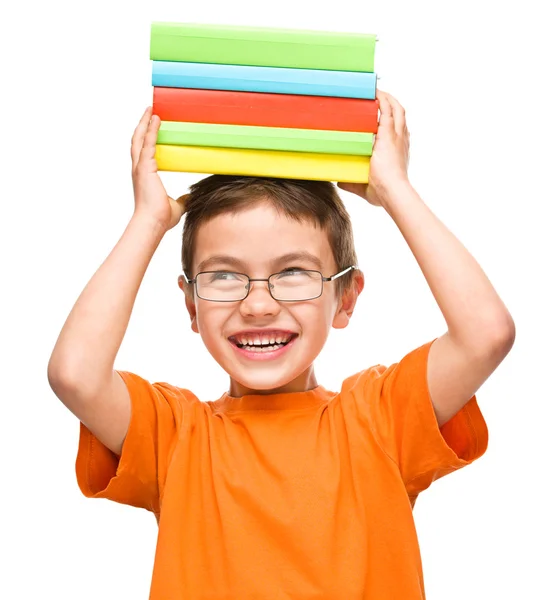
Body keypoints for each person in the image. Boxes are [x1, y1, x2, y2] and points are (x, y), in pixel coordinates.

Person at [47, 90, 515, 599]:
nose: (258, 305)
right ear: (190, 306)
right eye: (225, 276)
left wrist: (395, 189)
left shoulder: (379, 419)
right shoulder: (176, 435)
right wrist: (148, 222)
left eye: (292, 273)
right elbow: (76, 374)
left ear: (345, 299)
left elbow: (485, 334)